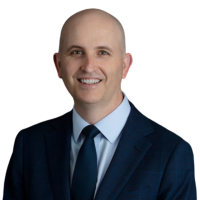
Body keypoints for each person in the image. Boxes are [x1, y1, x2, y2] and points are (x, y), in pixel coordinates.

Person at [3, 8, 196, 200]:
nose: (88, 66)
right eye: (76, 52)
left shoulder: (171, 153)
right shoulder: (28, 144)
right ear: (59, 65)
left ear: (124, 65)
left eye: (102, 52)